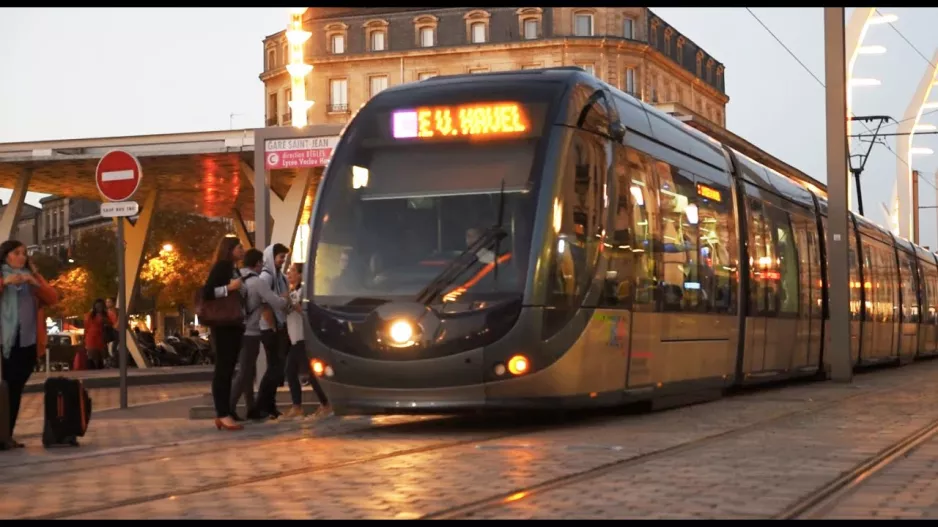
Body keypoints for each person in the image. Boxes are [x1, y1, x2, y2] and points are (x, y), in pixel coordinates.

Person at [0, 240, 58, 449]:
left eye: (24, 253)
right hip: (4, 342)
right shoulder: (2, 275)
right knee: (4, 388)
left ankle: (6, 435)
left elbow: (52, 298)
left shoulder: (32, 278)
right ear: (6, 256)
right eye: (16, 253)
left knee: (15, 389)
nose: (22, 257)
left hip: (27, 342)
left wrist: (35, 282)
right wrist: (5, 283)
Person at [230, 247, 289, 421]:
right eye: (261, 263)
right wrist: (286, 297)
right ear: (257, 264)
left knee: (247, 372)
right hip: (251, 331)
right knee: (245, 372)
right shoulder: (258, 281)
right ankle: (229, 408)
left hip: (236, 329)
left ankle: (251, 408)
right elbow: (276, 302)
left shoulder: (237, 277)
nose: (263, 265)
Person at [202, 236, 247, 432]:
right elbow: (208, 292)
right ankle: (222, 413)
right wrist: (229, 288)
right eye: (239, 247)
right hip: (223, 325)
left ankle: (226, 411)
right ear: (229, 249)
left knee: (229, 369)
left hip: (235, 323)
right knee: (223, 369)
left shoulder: (234, 268)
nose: (242, 250)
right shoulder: (222, 266)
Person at [283, 262, 329, 419]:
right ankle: (302, 406)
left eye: (293, 271)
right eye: (288, 271)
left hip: (303, 338)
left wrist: (291, 302)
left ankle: (324, 404)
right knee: (295, 372)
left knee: (305, 372)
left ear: (301, 275)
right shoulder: (291, 291)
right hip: (294, 338)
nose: (289, 273)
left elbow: (304, 312)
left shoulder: (303, 292)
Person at [254, 244, 293, 419]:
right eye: (280, 257)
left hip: (281, 326)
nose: (282, 261)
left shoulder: (281, 278)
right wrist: (272, 327)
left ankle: (270, 406)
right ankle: (261, 406)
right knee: (274, 370)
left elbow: (287, 299)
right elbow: (266, 305)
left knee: (276, 369)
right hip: (271, 328)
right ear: (271, 257)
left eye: (284, 257)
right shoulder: (266, 277)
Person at [83, 299, 111, 369]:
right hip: (91, 337)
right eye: (97, 306)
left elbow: (110, 323)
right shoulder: (89, 315)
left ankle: (100, 368)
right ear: (94, 307)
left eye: (101, 306)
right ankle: (92, 369)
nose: (99, 308)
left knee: (100, 356)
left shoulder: (105, 315)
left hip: (101, 337)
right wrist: (84, 338)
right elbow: (86, 327)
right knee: (92, 355)